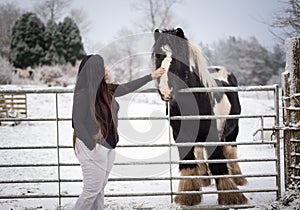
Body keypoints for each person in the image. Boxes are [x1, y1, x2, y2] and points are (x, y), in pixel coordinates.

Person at [72, 54, 165, 210]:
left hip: (107, 147)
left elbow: (129, 86)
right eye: (103, 67)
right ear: (95, 71)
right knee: (91, 190)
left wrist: (152, 76)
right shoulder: (83, 94)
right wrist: (92, 146)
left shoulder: (106, 90)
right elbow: (77, 123)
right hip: (92, 148)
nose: (107, 69)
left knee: (99, 189)